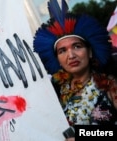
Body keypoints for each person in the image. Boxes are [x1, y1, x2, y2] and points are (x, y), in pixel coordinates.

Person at [33, 0, 117, 140]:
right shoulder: (54, 92)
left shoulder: (110, 86)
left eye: (77, 46)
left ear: (90, 52)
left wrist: (81, 134)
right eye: (62, 51)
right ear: (57, 59)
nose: (71, 55)